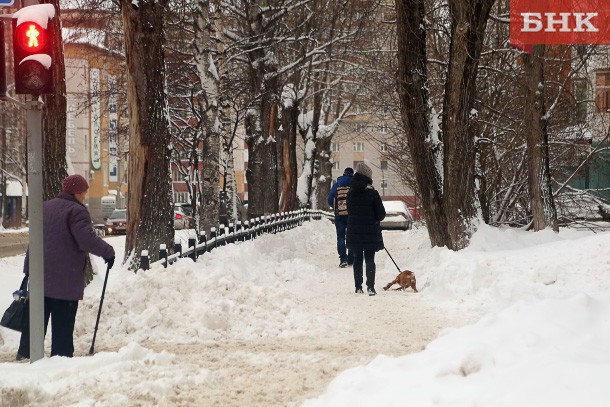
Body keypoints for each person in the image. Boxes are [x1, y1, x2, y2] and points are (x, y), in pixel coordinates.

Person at [17, 174, 116, 360]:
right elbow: (86, 239)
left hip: (40, 276)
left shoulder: (45, 207)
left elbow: (35, 239)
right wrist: (108, 252)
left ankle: (25, 354)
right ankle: (60, 359)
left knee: (36, 320)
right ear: (77, 192)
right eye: (84, 192)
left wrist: (29, 269)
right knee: (63, 324)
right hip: (64, 280)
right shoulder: (76, 211)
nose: (85, 196)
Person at [346, 162, 386, 296]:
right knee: (370, 258)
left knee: (357, 258)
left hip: (355, 231)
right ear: (368, 177)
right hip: (370, 231)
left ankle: (358, 287)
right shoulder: (373, 193)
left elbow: (349, 210)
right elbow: (381, 214)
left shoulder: (350, 193)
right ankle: (371, 288)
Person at [327, 167, 354, 268]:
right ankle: (351, 259)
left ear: (343, 173)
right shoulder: (353, 185)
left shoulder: (336, 185)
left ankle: (343, 259)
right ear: (352, 174)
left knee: (341, 237)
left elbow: (330, 199)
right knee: (351, 236)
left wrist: (336, 208)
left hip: (339, 215)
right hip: (351, 215)